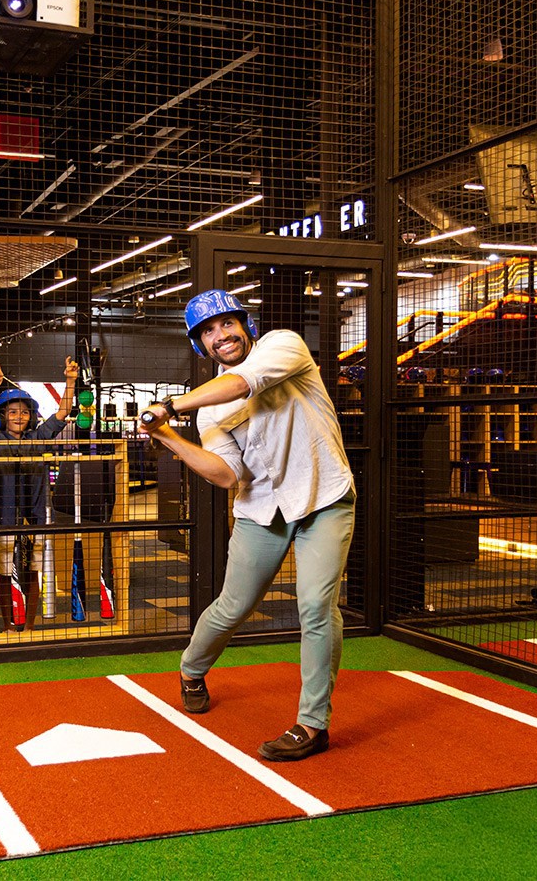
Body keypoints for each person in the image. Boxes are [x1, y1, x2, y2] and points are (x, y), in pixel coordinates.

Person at [139, 289, 356, 762]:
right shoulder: (209, 411)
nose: (220, 335)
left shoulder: (283, 345)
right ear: (201, 345)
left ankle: (312, 724)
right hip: (262, 510)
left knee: (317, 605)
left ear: (245, 325)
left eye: (226, 323)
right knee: (234, 606)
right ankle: (192, 668)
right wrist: (169, 436)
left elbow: (242, 384)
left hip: (324, 498)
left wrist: (171, 406)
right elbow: (225, 475)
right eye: (208, 331)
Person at [0, 357, 79, 626]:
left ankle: (29, 624)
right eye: (12, 412)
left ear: (31, 416)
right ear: (2, 416)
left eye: (24, 412)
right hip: (3, 519)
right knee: (5, 575)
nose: (18, 417)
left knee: (32, 573)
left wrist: (70, 381)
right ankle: (9, 625)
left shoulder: (37, 438)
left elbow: (62, 414)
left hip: (36, 517)